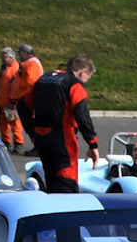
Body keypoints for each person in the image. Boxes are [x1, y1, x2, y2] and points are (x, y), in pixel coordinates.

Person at [28, 54, 101, 193]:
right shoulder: (74, 84)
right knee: (66, 183)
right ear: (83, 71)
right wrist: (92, 143)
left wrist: (32, 131)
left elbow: (23, 105)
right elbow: (82, 114)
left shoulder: (43, 79)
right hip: (63, 139)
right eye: (87, 77)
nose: (86, 81)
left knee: (51, 181)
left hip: (42, 138)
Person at [0, 47, 25, 152]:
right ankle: (6, 142)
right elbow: (0, 84)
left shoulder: (17, 68)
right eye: (2, 57)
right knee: (3, 123)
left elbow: (18, 86)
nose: (3, 59)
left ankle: (18, 143)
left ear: (11, 57)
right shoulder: (4, 68)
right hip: (2, 101)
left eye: (5, 58)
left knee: (15, 123)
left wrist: (15, 101)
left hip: (11, 102)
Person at [11, 44, 45, 151]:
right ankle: (37, 145)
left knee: (31, 122)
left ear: (25, 53)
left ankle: (38, 146)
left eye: (20, 53)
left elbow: (30, 82)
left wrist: (21, 93)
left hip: (28, 99)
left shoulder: (32, 63)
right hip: (27, 98)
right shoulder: (29, 63)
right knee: (29, 122)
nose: (19, 55)